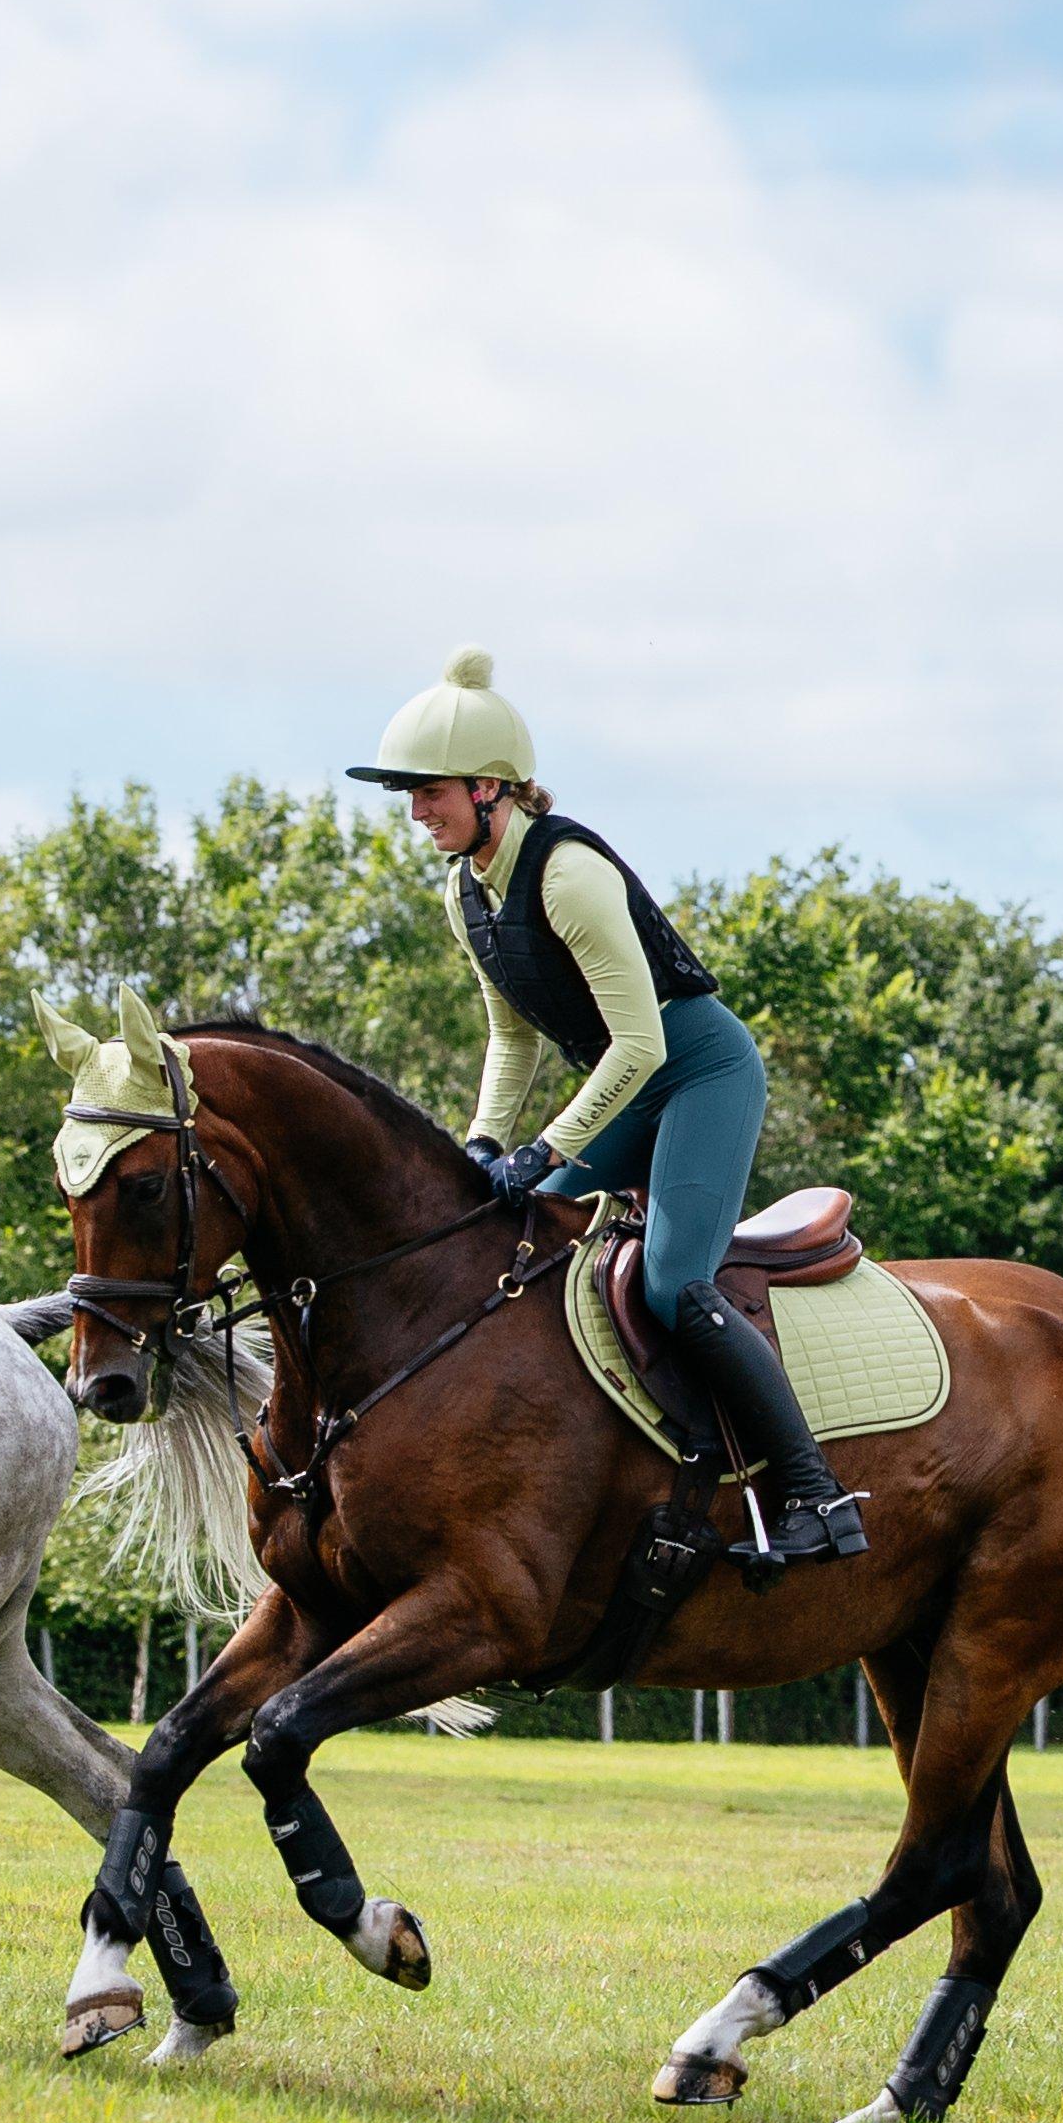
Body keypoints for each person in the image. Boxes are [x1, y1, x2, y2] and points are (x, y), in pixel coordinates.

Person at [350, 645, 867, 1566]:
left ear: (488, 789)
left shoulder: (567, 875)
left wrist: (545, 1149)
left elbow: (643, 1045)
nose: (416, 811)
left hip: (699, 1074)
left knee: (673, 1285)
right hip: (629, 1086)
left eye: (428, 791)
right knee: (495, 1222)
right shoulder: (465, 892)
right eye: (410, 794)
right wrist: (482, 1144)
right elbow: (512, 1039)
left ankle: (814, 1493)